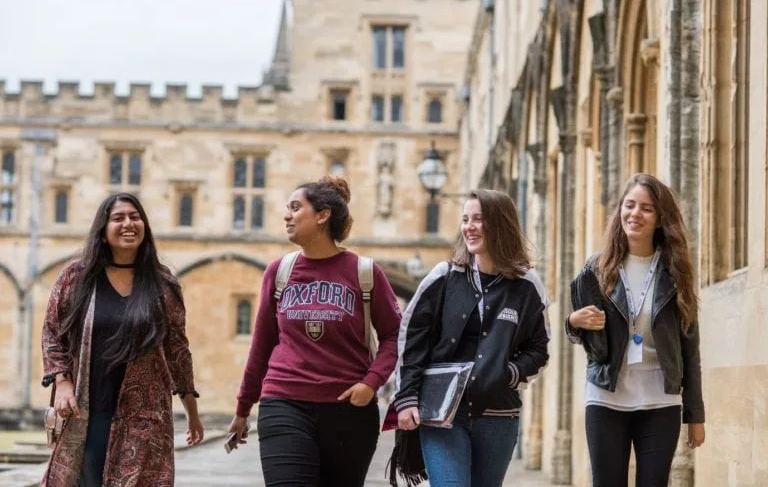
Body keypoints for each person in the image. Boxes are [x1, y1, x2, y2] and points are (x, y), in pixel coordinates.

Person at [228, 175, 402, 487]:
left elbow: (393, 335)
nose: (287, 215)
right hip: (283, 402)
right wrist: (243, 408)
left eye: (296, 208)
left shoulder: (365, 273)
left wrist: (371, 383)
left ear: (322, 215)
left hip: (349, 411)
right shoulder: (279, 272)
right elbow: (262, 343)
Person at [40, 192, 203, 487]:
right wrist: (62, 382)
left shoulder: (163, 283)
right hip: (87, 410)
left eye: (135, 216)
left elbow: (178, 349)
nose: (128, 223)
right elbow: (53, 331)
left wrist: (192, 412)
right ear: (103, 230)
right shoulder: (75, 278)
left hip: (145, 416)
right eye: (118, 218)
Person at [393, 189, 550, 487]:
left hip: (499, 416)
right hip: (441, 414)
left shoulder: (528, 285)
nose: (469, 226)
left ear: (501, 223)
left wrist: (508, 373)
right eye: (466, 219)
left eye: (479, 219)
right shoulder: (444, 277)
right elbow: (411, 338)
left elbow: (540, 349)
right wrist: (406, 397)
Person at [566, 173, 705, 487]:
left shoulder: (676, 271)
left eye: (646, 208)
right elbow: (581, 335)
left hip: (661, 399)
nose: (635, 214)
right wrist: (573, 323)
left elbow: (689, 347)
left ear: (658, 218)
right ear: (620, 212)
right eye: (629, 206)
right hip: (606, 395)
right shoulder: (596, 267)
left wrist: (695, 413)